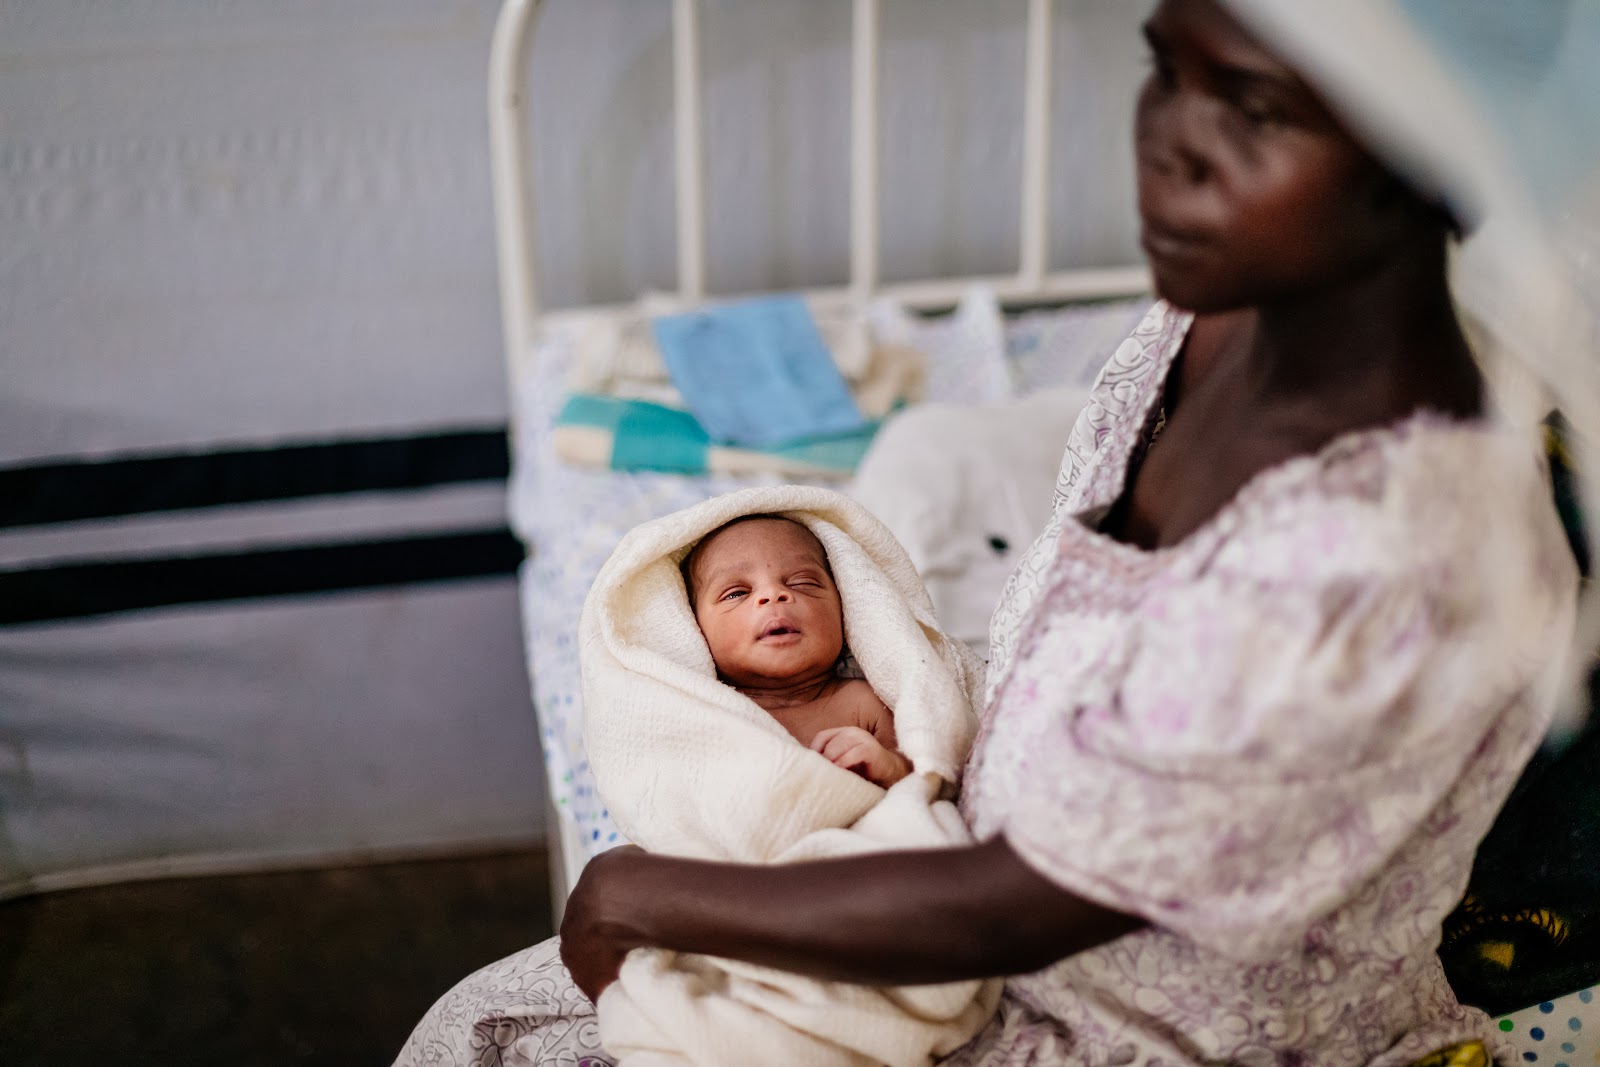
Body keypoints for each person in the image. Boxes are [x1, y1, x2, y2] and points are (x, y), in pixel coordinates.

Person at [394, 1, 1589, 1064]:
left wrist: (636, 887)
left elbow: (1017, 907)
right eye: (1165, 70)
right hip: (976, 875)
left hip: (1123, 1023)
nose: (1171, 142)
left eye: (1254, 108)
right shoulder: (1214, 310)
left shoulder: (1382, 562)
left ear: (1438, 147)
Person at [681, 514, 911, 789]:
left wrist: (887, 765)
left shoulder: (864, 704)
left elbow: (926, 777)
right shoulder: (700, 712)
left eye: (803, 582)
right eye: (736, 593)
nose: (773, 594)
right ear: (695, 627)